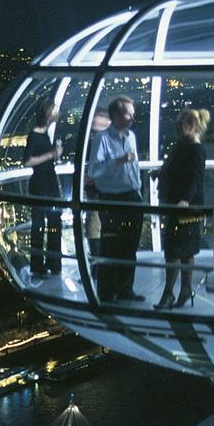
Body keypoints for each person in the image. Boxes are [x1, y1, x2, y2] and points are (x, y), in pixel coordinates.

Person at [88, 96, 143, 302]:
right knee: (111, 246)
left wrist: (137, 190)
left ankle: (125, 290)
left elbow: (134, 166)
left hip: (132, 197)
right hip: (112, 199)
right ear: (116, 115)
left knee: (130, 246)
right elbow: (94, 170)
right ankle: (107, 292)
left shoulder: (131, 137)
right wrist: (118, 161)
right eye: (128, 113)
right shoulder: (102, 139)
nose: (132, 117)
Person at [155, 108, 209, 310]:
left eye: (180, 124)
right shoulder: (188, 147)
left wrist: (185, 200)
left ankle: (168, 294)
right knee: (185, 250)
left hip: (183, 207)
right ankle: (184, 290)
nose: (176, 127)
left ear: (192, 126)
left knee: (173, 250)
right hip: (186, 207)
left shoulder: (192, 149)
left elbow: (195, 178)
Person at [23, 98, 64, 278]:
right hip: (41, 185)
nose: (58, 113)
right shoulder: (36, 134)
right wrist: (51, 154)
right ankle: (42, 265)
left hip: (47, 184)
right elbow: (27, 161)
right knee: (42, 225)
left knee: (52, 223)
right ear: (48, 113)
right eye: (55, 110)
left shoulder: (44, 133)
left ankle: (49, 264)